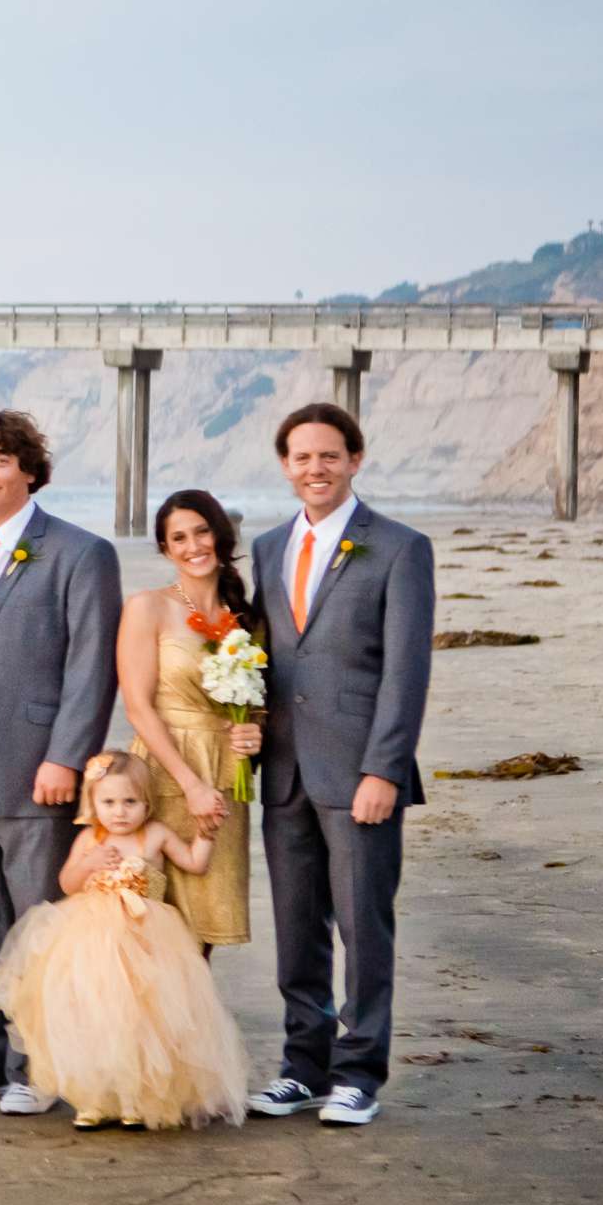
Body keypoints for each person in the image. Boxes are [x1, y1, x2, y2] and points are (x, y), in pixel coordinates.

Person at [0, 407, 122, 1117]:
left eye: (0, 460)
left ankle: (35, 1065)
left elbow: (93, 665)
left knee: (38, 922)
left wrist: (67, 756)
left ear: (28, 471)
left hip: (38, 766)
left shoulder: (79, 552)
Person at [244, 402, 433, 1128]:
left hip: (359, 771)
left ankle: (359, 1074)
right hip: (283, 770)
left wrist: (385, 769)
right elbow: (260, 655)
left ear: (355, 459)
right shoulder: (266, 547)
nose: (314, 469)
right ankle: (303, 1066)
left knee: (363, 925)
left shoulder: (397, 547)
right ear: (285, 466)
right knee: (296, 928)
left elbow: (406, 672)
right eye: (301, 457)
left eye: (329, 456)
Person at [0, 753, 250, 1130]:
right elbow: (67, 884)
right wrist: (89, 863)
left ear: (147, 802)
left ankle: (135, 1100)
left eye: (130, 802)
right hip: (91, 942)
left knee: (142, 1025)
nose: (120, 812)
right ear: (93, 802)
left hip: (147, 941)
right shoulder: (89, 839)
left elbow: (194, 863)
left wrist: (206, 837)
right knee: (92, 1021)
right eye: (108, 802)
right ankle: (93, 1100)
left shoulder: (155, 835)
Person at [116, 490, 264, 953]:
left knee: (204, 924)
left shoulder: (247, 617)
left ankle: (187, 1023)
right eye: (177, 538)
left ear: (221, 535)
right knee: (151, 916)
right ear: (165, 549)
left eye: (201, 531)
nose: (193, 545)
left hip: (223, 775)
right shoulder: (148, 607)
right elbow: (138, 706)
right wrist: (190, 784)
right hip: (164, 771)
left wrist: (254, 728)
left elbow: (260, 699)